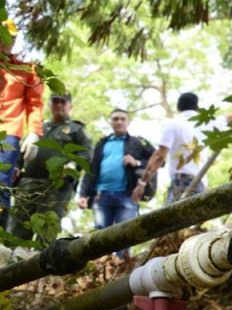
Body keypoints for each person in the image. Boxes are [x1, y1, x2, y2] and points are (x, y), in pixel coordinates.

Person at [8, 93, 91, 243]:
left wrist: (72, 166)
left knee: (47, 229)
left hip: (56, 185)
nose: (59, 105)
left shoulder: (76, 129)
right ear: (49, 104)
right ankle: (13, 262)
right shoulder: (39, 127)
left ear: (69, 106)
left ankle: (40, 264)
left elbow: (86, 152)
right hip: (28, 182)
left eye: (62, 102)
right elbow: (23, 148)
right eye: (55, 101)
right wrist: (17, 166)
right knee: (18, 225)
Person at [78, 108, 156, 258]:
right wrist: (83, 194)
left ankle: (120, 271)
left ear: (128, 122)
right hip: (101, 197)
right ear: (110, 122)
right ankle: (100, 271)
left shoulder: (137, 142)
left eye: (122, 119)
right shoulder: (101, 143)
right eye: (115, 119)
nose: (119, 122)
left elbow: (160, 160)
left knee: (124, 236)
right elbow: (90, 169)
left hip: (128, 196)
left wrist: (137, 162)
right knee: (99, 237)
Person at [0, 21, 44, 229]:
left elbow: (35, 104)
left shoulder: (26, 71)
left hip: (8, 133)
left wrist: (34, 132)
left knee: (1, 184)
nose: (6, 41)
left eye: (11, 37)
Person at [132, 92, 206, 204]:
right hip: (201, 182)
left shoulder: (174, 124)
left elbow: (159, 156)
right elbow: (229, 117)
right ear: (197, 107)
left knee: (173, 219)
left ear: (178, 107)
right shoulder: (207, 124)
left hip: (182, 180)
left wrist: (142, 183)